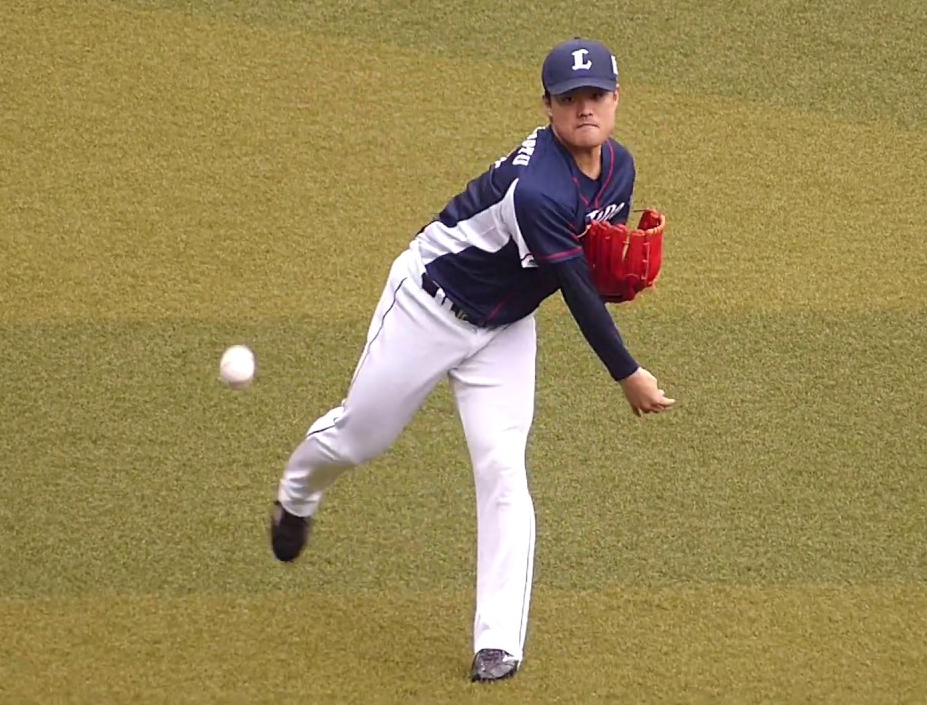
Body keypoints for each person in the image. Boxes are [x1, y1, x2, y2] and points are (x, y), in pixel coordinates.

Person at [268, 37, 674, 683]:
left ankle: (498, 642)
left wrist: (608, 283)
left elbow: (586, 263)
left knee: (503, 467)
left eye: (596, 95)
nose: (585, 108)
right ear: (547, 107)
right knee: (362, 437)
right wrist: (628, 372)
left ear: (617, 99)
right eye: (570, 98)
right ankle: (296, 493)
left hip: (505, 327)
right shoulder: (535, 188)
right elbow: (574, 287)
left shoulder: (619, 169)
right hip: (428, 307)